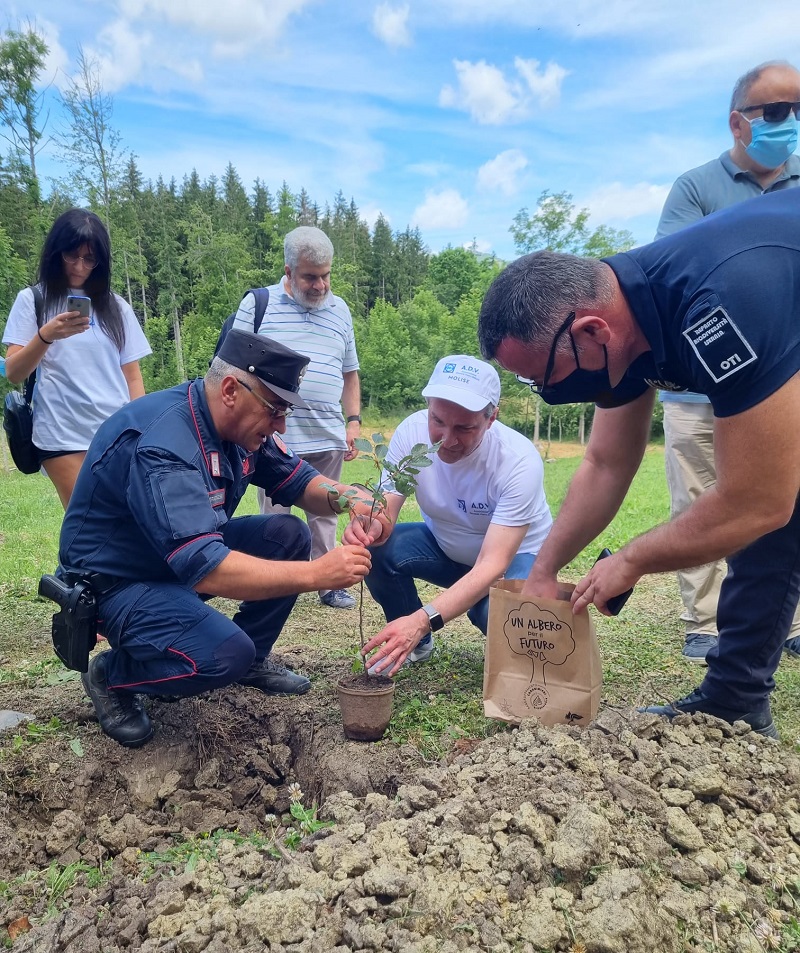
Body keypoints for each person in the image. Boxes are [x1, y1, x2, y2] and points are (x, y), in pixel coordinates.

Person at [478, 186, 800, 740]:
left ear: (592, 333)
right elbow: (606, 462)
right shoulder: (616, 329)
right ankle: (736, 699)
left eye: (545, 380)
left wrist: (630, 560)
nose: (545, 393)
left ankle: (735, 695)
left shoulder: (722, 306)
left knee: (766, 514)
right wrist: (544, 570)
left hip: (774, 294)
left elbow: (756, 501)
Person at [57, 329, 388, 748]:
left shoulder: (239, 427)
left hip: (170, 557)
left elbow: (299, 480)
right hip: (117, 582)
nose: (281, 423)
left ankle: (253, 660)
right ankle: (113, 676)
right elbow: (204, 567)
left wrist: (352, 500)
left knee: (287, 533)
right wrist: (317, 574)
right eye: (276, 409)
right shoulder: (165, 443)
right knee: (223, 655)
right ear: (231, 389)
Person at [655, 60, 800, 663]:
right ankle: (705, 623)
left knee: (786, 500)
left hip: (785, 384)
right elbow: (675, 273)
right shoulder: (694, 188)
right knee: (698, 495)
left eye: (797, 110)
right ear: (739, 122)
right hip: (699, 388)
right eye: (775, 111)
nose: (788, 122)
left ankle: (785, 623)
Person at [351, 356, 553, 676]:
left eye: (464, 427)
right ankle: (415, 642)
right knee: (380, 551)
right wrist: (370, 524)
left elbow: (492, 564)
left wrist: (424, 619)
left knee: (501, 614)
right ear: (429, 407)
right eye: (438, 421)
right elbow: (385, 510)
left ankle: (487, 619)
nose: (447, 439)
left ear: (491, 418)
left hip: (515, 558)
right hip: (444, 547)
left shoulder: (518, 461)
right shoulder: (411, 434)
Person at [233, 226, 361, 610]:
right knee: (276, 516)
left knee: (327, 510)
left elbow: (350, 372)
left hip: (327, 433)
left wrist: (352, 420)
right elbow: (234, 368)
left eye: (326, 275)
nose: (320, 285)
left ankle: (328, 584)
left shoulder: (340, 310)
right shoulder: (258, 304)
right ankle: (275, 583)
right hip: (272, 435)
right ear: (288, 271)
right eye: (310, 276)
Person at [2, 208, 151, 509]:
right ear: (57, 252)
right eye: (72, 256)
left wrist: (141, 430)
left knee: (124, 520)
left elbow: (132, 376)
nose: (80, 267)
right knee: (87, 520)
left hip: (116, 433)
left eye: (89, 259)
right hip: (61, 433)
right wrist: (46, 336)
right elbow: (14, 372)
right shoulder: (33, 300)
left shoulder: (116, 307)